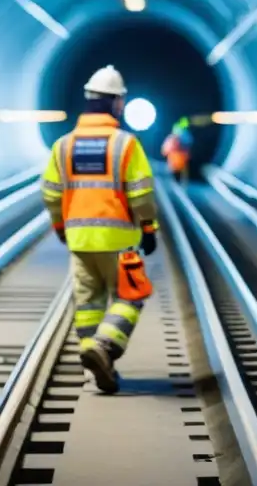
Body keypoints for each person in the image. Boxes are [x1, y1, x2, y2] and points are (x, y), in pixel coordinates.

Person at [40, 64, 159, 394]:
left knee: (88, 303)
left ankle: (93, 371)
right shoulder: (126, 145)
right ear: (117, 103)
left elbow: (50, 193)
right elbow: (141, 194)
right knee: (129, 297)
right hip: (119, 240)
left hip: (79, 239)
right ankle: (104, 348)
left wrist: (61, 226)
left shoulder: (63, 146)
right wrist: (149, 228)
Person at [161, 117, 194, 184]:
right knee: (173, 171)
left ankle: (182, 183)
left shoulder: (185, 134)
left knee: (183, 171)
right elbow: (165, 149)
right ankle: (174, 182)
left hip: (182, 157)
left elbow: (188, 143)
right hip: (174, 157)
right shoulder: (172, 138)